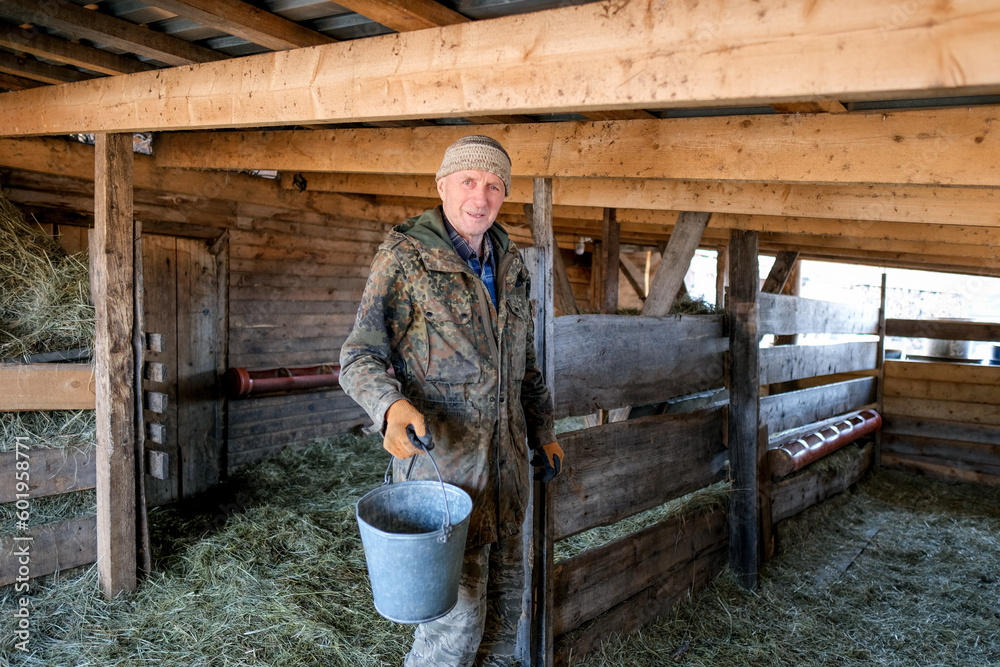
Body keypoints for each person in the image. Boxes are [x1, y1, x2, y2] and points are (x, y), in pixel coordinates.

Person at [339, 134, 564, 667]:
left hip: (508, 482)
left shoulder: (512, 266)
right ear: (442, 186)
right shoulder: (406, 258)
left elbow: (525, 368)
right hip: (445, 484)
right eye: (468, 181)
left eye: (493, 185)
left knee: (504, 626)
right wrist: (389, 407)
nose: (480, 197)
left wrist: (544, 432)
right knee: (453, 633)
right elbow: (358, 357)